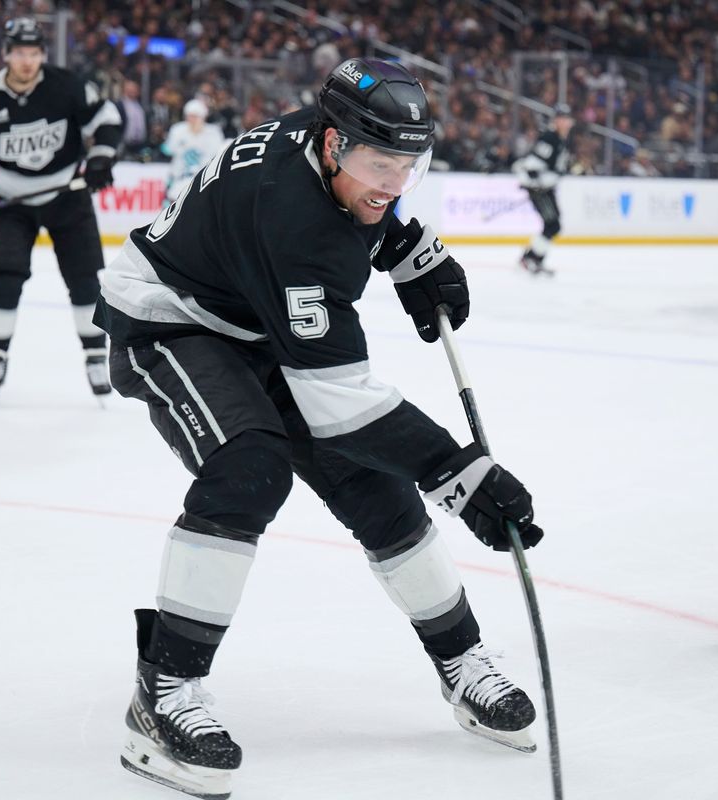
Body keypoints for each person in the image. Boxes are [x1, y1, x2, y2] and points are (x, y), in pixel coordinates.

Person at [94, 58, 544, 799]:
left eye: (410, 166)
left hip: (258, 319)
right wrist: (459, 475)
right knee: (250, 467)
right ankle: (164, 692)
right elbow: (340, 403)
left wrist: (412, 255)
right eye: (379, 165)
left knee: (377, 487)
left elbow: (375, 205)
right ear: (334, 146)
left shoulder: (330, 140)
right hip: (171, 323)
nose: (393, 183)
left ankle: (462, 661)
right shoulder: (293, 220)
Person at [0, 17, 121, 404]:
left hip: (67, 195)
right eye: (20, 53)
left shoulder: (67, 86)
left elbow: (108, 121)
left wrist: (100, 158)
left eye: (34, 53)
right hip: (11, 203)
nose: (27, 61)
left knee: (85, 281)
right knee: (5, 280)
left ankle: (96, 358)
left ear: (42, 55)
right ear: (6, 54)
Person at [513, 103, 574, 275]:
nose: (564, 122)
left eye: (567, 119)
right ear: (556, 121)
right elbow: (532, 165)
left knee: (553, 225)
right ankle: (530, 259)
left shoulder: (561, 140)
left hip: (548, 188)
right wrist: (532, 182)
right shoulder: (550, 138)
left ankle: (533, 258)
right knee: (553, 225)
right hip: (541, 189)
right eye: (561, 118)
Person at [162, 98, 227, 204]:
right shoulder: (178, 130)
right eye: (189, 116)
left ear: (203, 117)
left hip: (202, 181)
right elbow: (168, 150)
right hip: (180, 178)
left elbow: (218, 155)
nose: (192, 120)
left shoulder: (213, 133)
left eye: (195, 117)